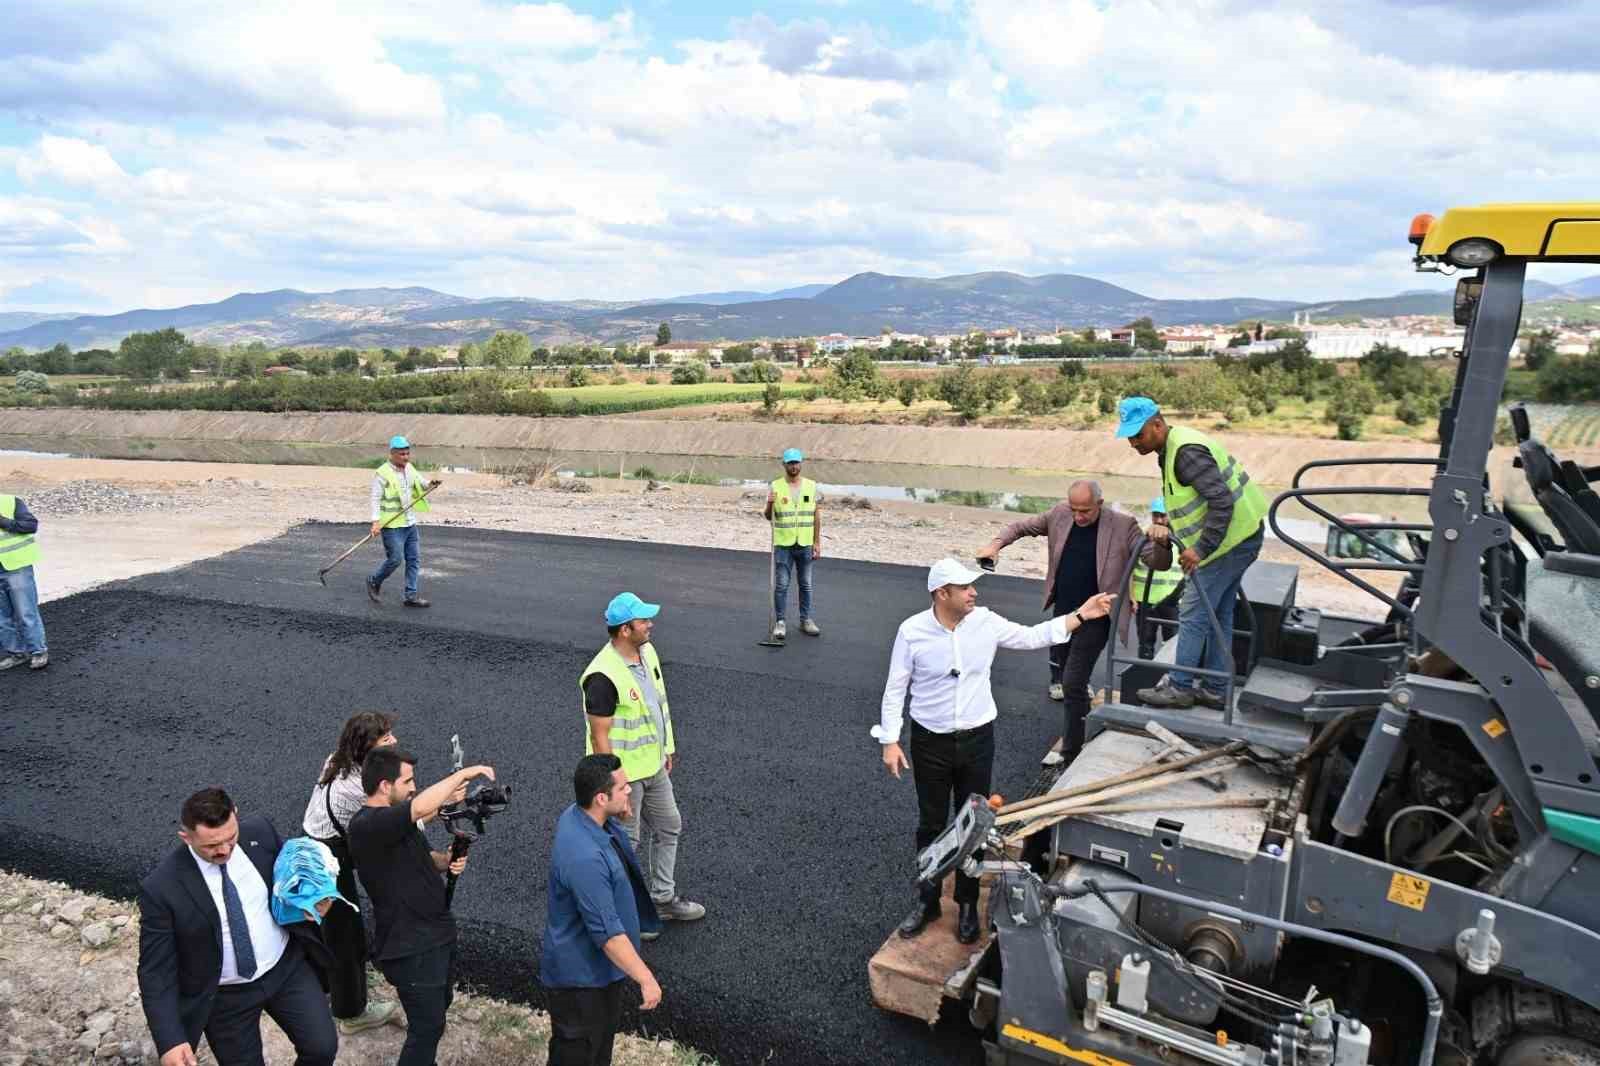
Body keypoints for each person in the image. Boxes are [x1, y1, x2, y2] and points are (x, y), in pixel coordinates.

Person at [874, 559, 1115, 943]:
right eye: (965, 587)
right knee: (932, 824)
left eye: (974, 586)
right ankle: (928, 899)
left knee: (975, 826)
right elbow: (895, 687)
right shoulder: (912, 632)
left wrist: (1080, 616)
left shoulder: (985, 621)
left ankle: (968, 905)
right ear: (942, 594)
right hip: (929, 741)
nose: (974, 592)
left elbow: (1032, 636)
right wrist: (890, 739)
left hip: (976, 740)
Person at [137, 788, 338, 1066]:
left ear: (236, 817)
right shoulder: (161, 889)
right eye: (211, 846)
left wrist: (313, 900)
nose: (224, 850)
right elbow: (155, 971)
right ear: (186, 837)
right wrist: (170, 1040)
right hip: (225, 998)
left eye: (231, 838)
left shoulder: (260, 833)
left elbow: (290, 879)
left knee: (322, 1048)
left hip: (286, 970)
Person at [977, 480, 1171, 763]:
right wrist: (995, 545)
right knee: (1070, 681)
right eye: (1074, 510)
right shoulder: (1059, 514)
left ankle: (1071, 751)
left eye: (1085, 511)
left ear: (1100, 505)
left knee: (1073, 681)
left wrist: (1163, 541)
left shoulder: (1123, 525)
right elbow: (1020, 527)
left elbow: (1157, 562)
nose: (1078, 517)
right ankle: (1076, 735)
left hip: (1098, 614)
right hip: (1065, 614)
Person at [1116, 397, 1267, 710]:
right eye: (1129, 437)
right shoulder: (1171, 448)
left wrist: (1201, 548)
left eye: (1138, 435)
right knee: (1219, 614)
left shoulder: (1185, 453)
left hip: (1229, 544)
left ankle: (1180, 687)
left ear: (1157, 424)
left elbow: (1221, 501)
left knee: (1193, 613)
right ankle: (1215, 687)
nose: (1133, 443)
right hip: (1239, 537)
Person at [347, 747, 495, 1066]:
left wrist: (447, 860)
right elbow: (419, 807)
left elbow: (426, 858)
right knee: (427, 1028)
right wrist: (461, 774)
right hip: (410, 947)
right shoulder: (368, 825)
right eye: (408, 780)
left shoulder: (397, 824)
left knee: (440, 1004)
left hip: (436, 932)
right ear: (385, 785)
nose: (413, 786)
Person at [581, 592, 705, 936]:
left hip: (653, 765)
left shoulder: (646, 651)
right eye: (643, 620)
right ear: (624, 629)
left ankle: (662, 899)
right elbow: (599, 737)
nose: (651, 624)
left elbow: (657, 704)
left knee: (669, 826)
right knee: (625, 843)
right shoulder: (602, 676)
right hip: (625, 777)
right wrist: (613, 783)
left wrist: (667, 747)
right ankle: (624, 912)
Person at [542, 754, 664, 1066]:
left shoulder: (578, 815)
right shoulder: (585, 857)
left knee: (598, 1052)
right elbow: (608, 935)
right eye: (623, 788)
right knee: (580, 1054)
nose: (630, 791)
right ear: (600, 798)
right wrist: (645, 978)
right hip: (582, 985)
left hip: (598, 976)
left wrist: (622, 808)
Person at [300, 711, 401, 1035]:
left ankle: (327, 983)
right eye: (386, 738)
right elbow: (397, 814)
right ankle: (352, 1013)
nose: (394, 741)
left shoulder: (338, 760)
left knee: (327, 926)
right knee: (346, 938)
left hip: (316, 844)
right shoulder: (359, 785)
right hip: (331, 855)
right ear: (368, 748)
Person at [367, 435, 441, 608]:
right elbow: (375, 499)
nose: (406, 457)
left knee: (413, 559)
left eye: (408, 453)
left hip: (409, 523)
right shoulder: (382, 473)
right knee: (395, 559)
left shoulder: (410, 469)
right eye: (402, 454)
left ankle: (411, 595)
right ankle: (373, 580)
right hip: (391, 525)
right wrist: (375, 522)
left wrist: (431, 483)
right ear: (392, 454)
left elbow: (422, 484)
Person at [762, 447, 822, 640]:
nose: (794, 466)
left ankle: (806, 620)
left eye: (796, 462)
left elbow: (816, 515)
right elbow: (768, 516)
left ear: (801, 463)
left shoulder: (811, 486)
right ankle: (780, 622)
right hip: (783, 544)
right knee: (781, 585)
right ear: (784, 464)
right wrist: (770, 503)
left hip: (804, 543)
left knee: (806, 585)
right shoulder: (776, 486)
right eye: (790, 463)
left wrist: (816, 542)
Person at [1133, 497, 1186, 661]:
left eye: (1164, 515)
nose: (1159, 520)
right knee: (1145, 643)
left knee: (1171, 645)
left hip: (1171, 602)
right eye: (1156, 515)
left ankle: (1166, 679)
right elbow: (1129, 569)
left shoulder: (1181, 539)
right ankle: (1143, 675)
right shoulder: (1142, 538)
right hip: (1145, 600)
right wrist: (1131, 597)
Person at [0, 491, 48, 671]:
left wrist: (4, 522)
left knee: (25, 611)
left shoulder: (10, 502)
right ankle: (17, 653)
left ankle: (38, 652)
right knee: (1, 618)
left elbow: (30, 525)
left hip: (16, 567)